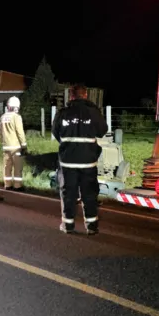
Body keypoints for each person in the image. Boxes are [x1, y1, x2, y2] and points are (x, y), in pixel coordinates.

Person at [51, 85, 107, 234]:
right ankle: (92, 227)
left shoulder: (62, 113)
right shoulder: (93, 112)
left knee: (68, 193)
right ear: (86, 95)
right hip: (88, 161)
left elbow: (56, 133)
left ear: (71, 96)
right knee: (89, 193)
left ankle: (68, 225)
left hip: (67, 161)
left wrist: (68, 144)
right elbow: (102, 131)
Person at [0, 96, 27, 191]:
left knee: (7, 167)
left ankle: (7, 184)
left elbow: (1, 132)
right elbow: (20, 132)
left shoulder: (2, 117)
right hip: (15, 147)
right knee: (17, 167)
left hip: (5, 146)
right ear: (17, 107)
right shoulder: (17, 117)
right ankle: (17, 186)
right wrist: (24, 145)